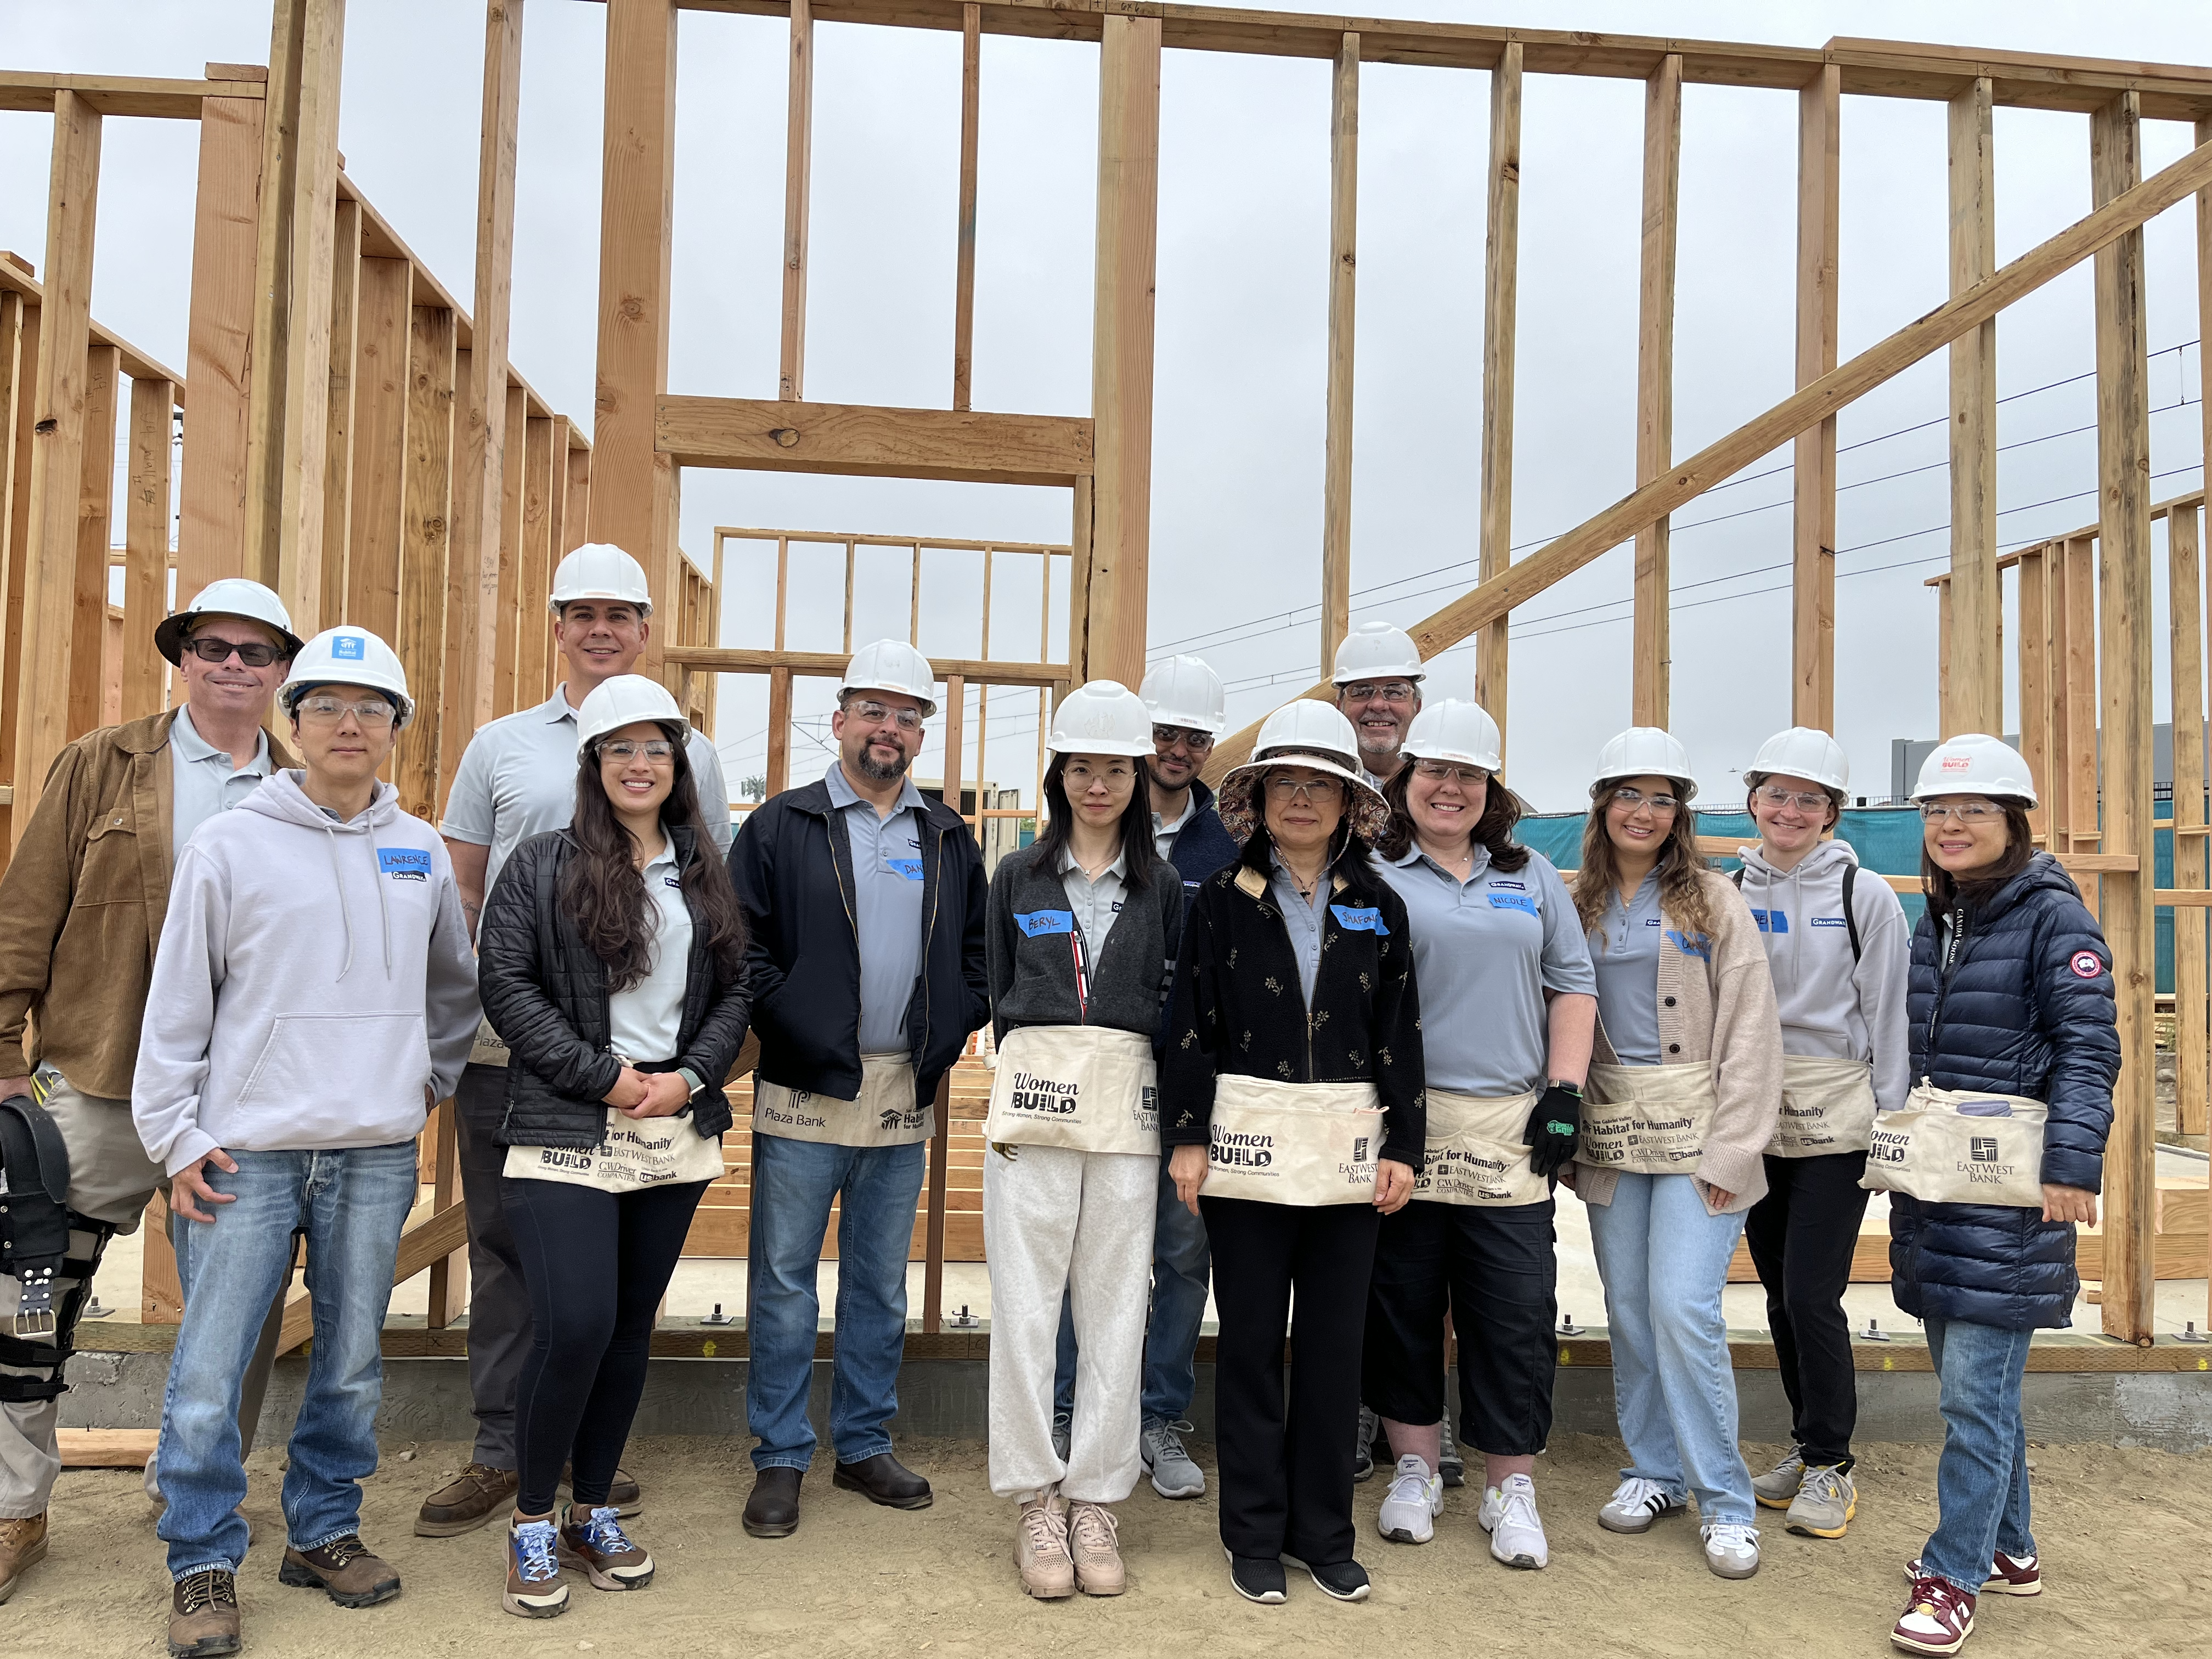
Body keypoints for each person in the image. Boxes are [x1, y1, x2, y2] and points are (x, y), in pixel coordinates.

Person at [133, 627, 478, 1656]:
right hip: (244, 1149)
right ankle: (200, 1554)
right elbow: (177, 1001)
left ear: (396, 731)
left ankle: (323, 1528)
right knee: (210, 1362)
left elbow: (451, 986)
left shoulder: (414, 847)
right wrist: (176, 1134)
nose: (349, 724)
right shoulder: (233, 843)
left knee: (351, 1360)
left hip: (372, 1149)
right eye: (326, 705)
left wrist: (427, 1079)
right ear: (294, 722)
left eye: (372, 709)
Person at [0, 579, 304, 1605]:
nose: (233, 665)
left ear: (278, 672)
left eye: (256, 652)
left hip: (241, 1101)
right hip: (102, 1076)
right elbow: (28, 905)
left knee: (240, 1305)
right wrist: (5, 1055)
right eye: (213, 646)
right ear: (183, 655)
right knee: (27, 1289)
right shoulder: (105, 763)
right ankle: (13, 1502)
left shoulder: (306, 789)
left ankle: (193, 1482)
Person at [420, 543, 732, 1538]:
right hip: (519, 1050)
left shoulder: (699, 754)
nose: (602, 627)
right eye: (581, 610)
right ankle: (504, 1453)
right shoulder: (500, 744)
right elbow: (462, 895)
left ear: (645, 627)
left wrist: (677, 1073)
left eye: (621, 612)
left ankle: (582, 1461)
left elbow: (713, 920)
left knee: (605, 1289)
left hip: (654, 1084)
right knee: (510, 1252)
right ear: (557, 623)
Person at [476, 676, 753, 1619]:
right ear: (592, 765)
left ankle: (590, 1510)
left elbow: (734, 991)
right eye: (619, 747)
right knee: (576, 1322)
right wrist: (601, 1075)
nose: (640, 763)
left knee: (631, 1326)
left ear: (678, 766)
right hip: (568, 1122)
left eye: (657, 748)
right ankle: (530, 1515)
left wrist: (689, 1077)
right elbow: (506, 983)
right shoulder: (542, 863)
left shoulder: (700, 865)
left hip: (668, 1129)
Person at [1161, 698, 1424, 1607]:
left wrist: (1406, 1146)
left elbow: (1400, 1032)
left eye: (1322, 783)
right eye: (1286, 783)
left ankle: (1322, 1531)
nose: (1302, 799)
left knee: (1330, 1346)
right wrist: (1187, 1137)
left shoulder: (1377, 905)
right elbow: (1188, 1024)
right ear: (1258, 797)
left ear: (1351, 800)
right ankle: (1254, 1533)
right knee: (1247, 1346)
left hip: (1349, 1158)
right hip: (1247, 1151)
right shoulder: (1220, 903)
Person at [729, 639, 989, 1538]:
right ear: (838, 721)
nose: (890, 727)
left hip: (899, 1087)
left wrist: (949, 1027)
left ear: (922, 731)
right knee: (784, 1280)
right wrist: (792, 1018)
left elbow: (975, 956)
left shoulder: (947, 835)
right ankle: (779, 1454)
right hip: (804, 1085)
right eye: (873, 710)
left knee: (878, 1283)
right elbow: (742, 946)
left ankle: (864, 1441)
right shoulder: (781, 825)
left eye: (907, 713)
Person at [1880, 735, 2115, 1657]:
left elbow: (2090, 1046)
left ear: (2014, 823)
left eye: (1972, 810)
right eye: (1937, 811)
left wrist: (2071, 1164)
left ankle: (1953, 1574)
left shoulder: (2054, 918)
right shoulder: (1946, 913)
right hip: (1941, 1181)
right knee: (1976, 1387)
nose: (1949, 825)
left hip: (2010, 1187)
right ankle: (2010, 1545)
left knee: (1973, 1398)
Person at [1364, 700, 1595, 1569]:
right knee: (1404, 1303)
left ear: (1490, 787)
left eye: (1468, 774)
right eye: (1435, 772)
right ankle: (1416, 1469)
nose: (1449, 788)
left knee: (1513, 1310)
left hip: (1508, 1129)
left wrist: (1564, 1091)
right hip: (1405, 1124)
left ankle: (1510, 1484)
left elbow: (1572, 985)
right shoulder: (1377, 870)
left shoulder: (1529, 872)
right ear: (1407, 781)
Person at [1567, 726, 1782, 1582]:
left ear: (1681, 812)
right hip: (1615, 1140)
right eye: (1629, 794)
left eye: (1663, 798)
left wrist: (1735, 1152)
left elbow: (1754, 1026)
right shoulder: (1576, 899)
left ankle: (1726, 1501)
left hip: (1699, 1143)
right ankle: (1654, 1472)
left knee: (1682, 1309)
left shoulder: (1712, 900)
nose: (1644, 811)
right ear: (1602, 805)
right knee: (1627, 1308)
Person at [983, 681, 1182, 1598]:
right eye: (1080, 765)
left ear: (1138, 777)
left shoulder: (1166, 886)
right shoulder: (1017, 876)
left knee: (1114, 1303)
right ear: (1056, 773)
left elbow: (1174, 1005)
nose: (1096, 782)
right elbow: (997, 989)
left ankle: (1097, 1496)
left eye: (1114, 767)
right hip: (1035, 1105)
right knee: (1026, 1303)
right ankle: (1034, 1495)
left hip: (1128, 1112)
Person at [1047, 653, 1234, 1500]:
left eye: (1195, 736)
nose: (1179, 748)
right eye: (1164, 733)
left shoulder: (1225, 846)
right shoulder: (1069, 845)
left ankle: (1156, 1417)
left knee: (1180, 1251)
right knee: (1082, 1249)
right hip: (1095, 1081)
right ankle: (1066, 1409)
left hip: (1188, 1088)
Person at [1734, 729, 1910, 1541]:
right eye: (1777, 794)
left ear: (1834, 812)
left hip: (1837, 1120)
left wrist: (1892, 1121)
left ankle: (1833, 1463)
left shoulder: (1863, 895)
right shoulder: (1732, 888)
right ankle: (1808, 1451)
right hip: (1758, 1115)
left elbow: (1887, 1013)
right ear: (1753, 802)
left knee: (1812, 1292)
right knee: (1778, 1293)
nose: (1791, 810)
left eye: (1810, 798)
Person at [1332, 619, 1424, 792]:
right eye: (1361, 691)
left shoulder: (1439, 789)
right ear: (1340, 708)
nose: (1378, 704)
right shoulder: (1322, 785)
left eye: (1395, 692)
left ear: (1417, 707)